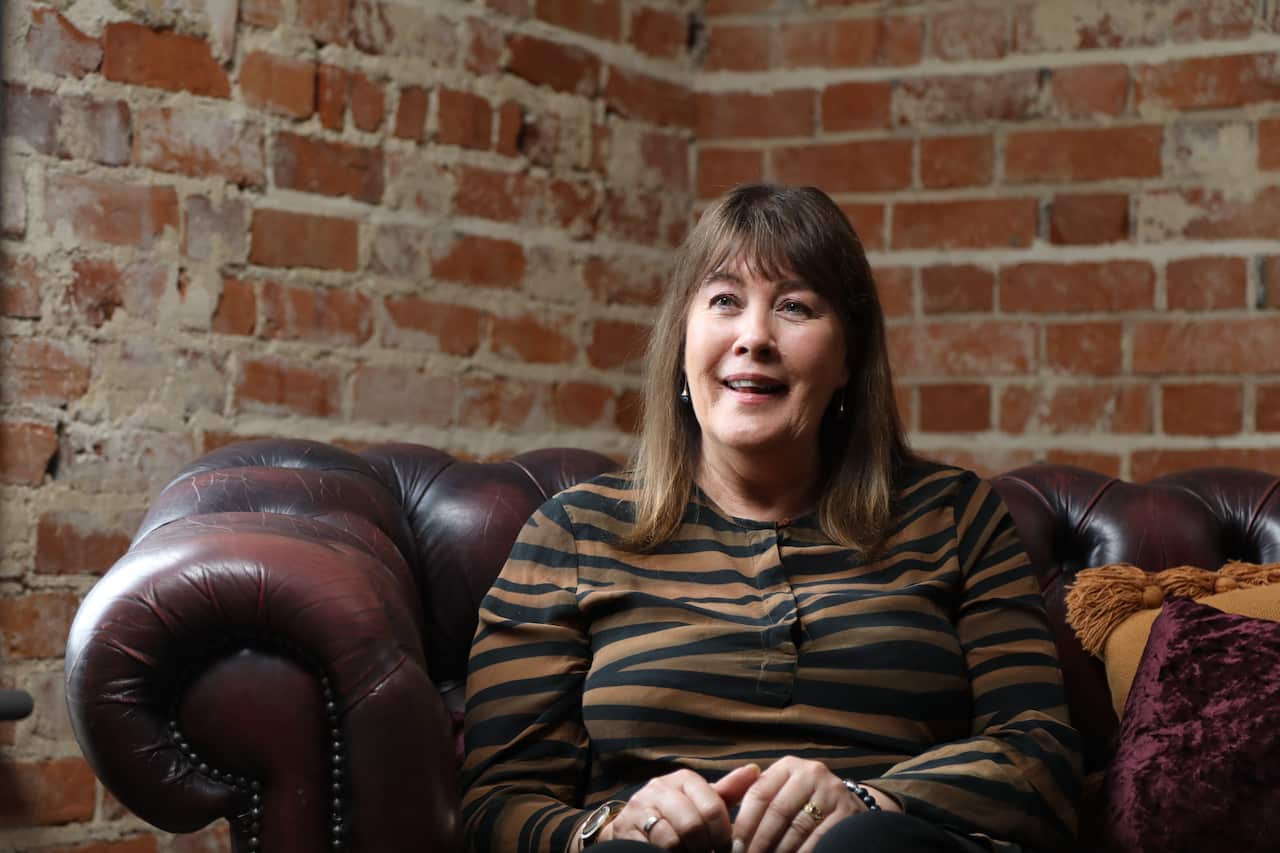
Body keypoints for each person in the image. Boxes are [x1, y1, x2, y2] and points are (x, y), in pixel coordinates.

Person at [461, 184, 1082, 853]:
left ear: (848, 358)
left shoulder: (955, 516)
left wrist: (866, 799)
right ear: (681, 339)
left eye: (794, 306)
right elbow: (494, 806)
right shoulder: (572, 534)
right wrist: (610, 825)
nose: (753, 337)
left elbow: (1041, 759)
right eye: (725, 300)